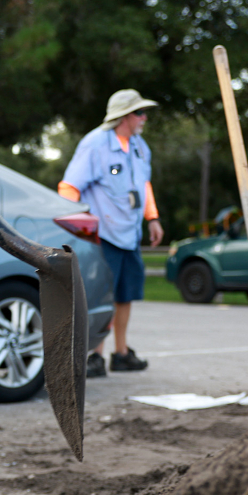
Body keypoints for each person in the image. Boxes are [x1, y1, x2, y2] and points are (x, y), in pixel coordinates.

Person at [58, 89, 164, 375]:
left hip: (129, 234)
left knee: (125, 294)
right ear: (124, 117)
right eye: (140, 113)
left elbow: (145, 186)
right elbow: (69, 187)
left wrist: (152, 218)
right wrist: (79, 228)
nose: (144, 118)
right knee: (101, 295)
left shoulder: (140, 147)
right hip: (102, 235)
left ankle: (121, 353)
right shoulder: (95, 144)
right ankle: (94, 355)